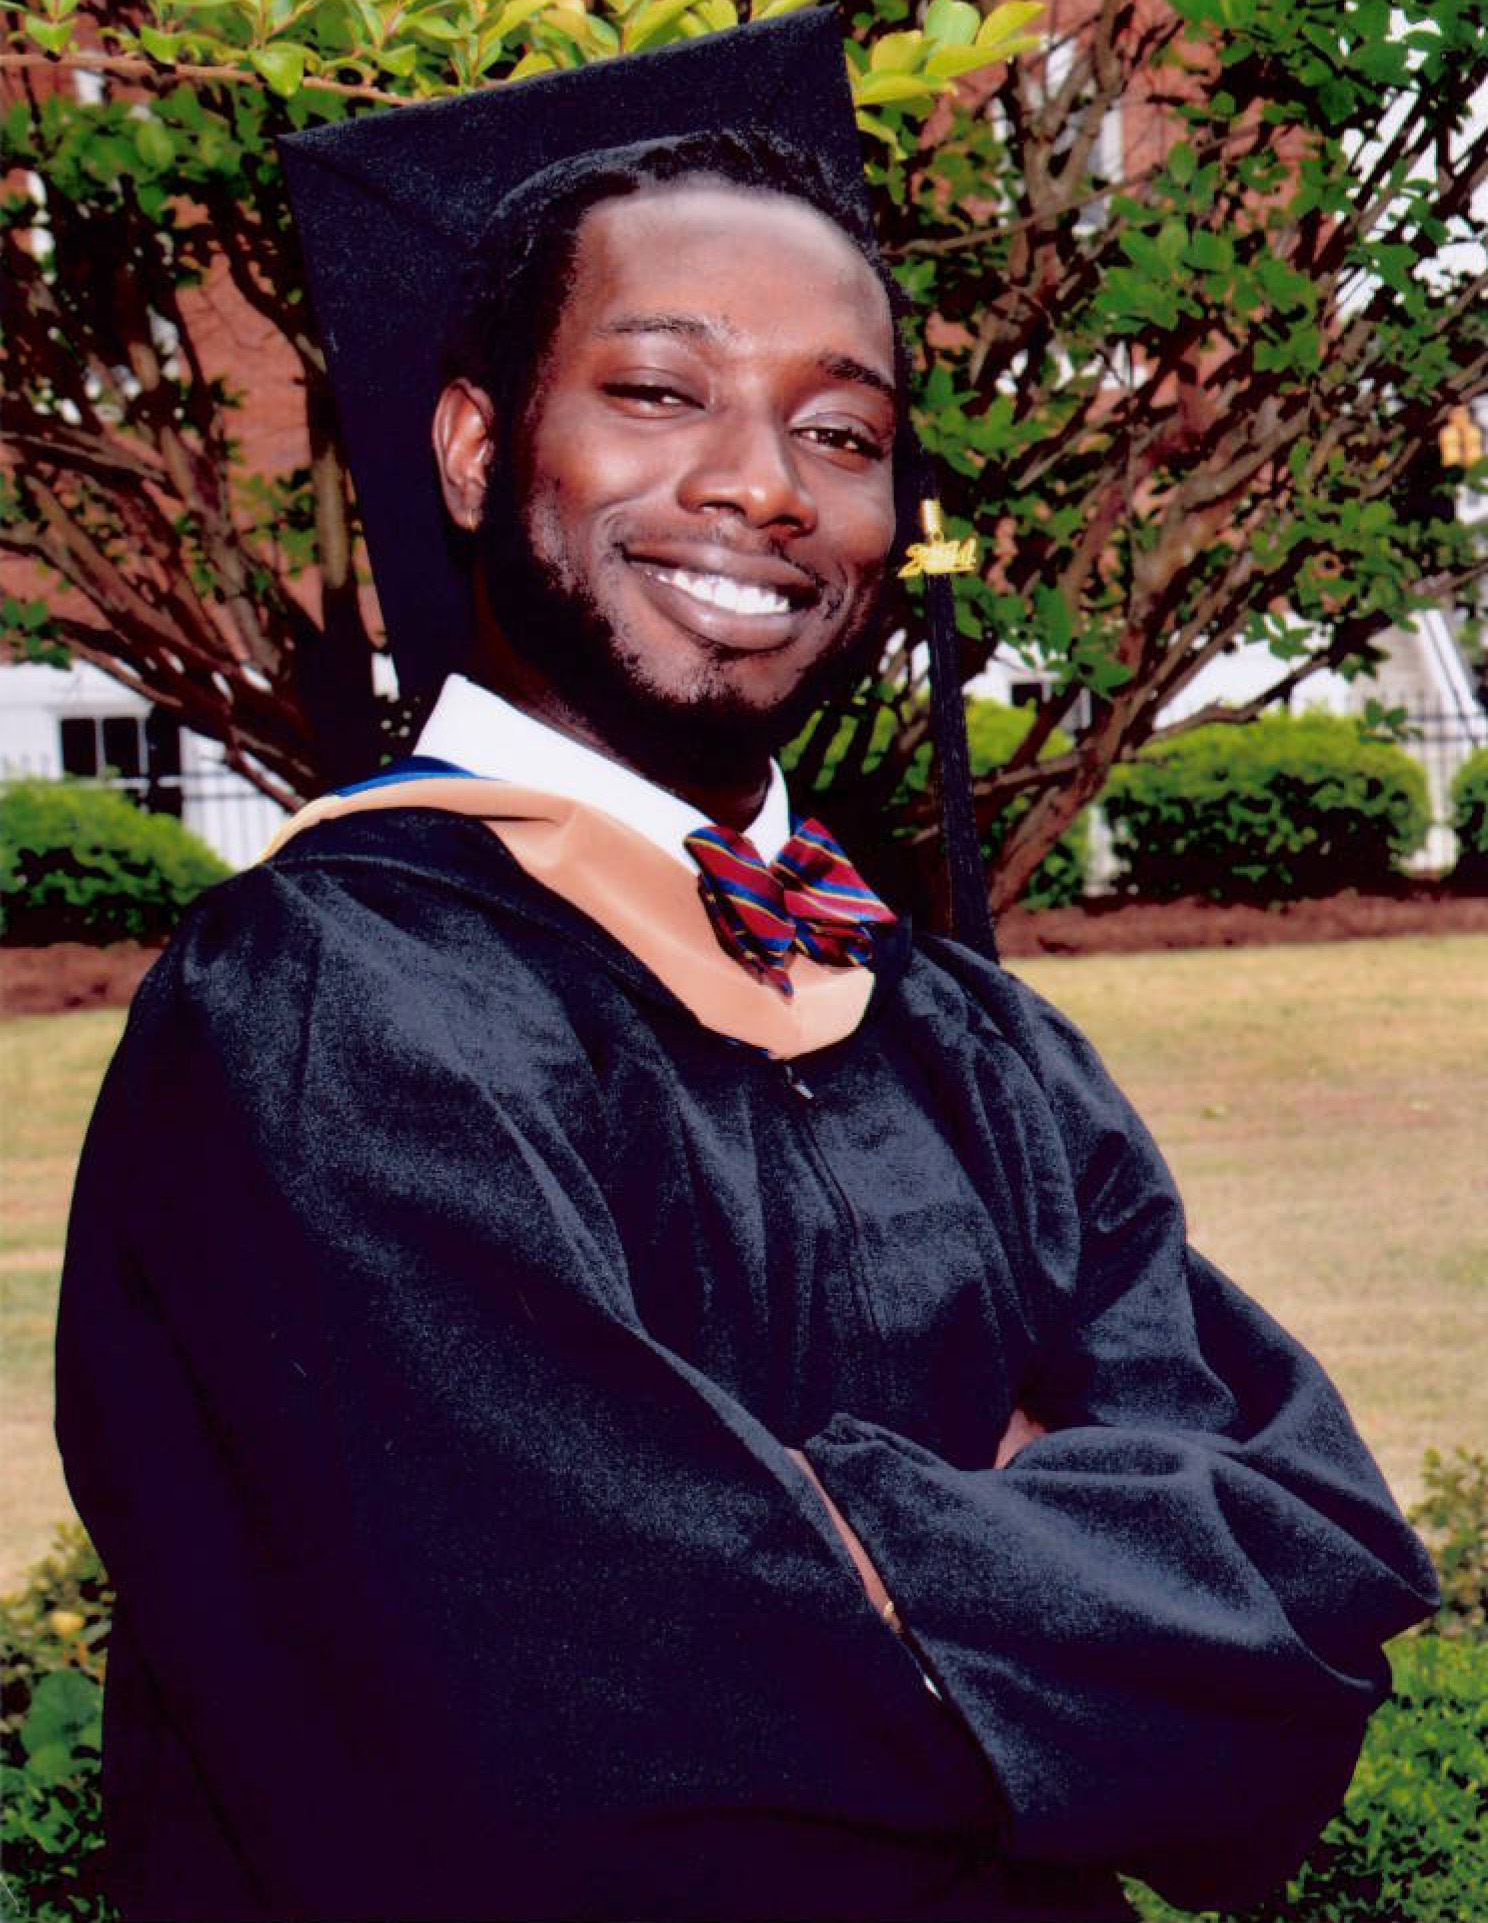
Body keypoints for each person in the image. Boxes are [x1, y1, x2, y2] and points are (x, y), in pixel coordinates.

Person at [56, 16, 1437, 1923]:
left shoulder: (960, 1033)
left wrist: (837, 1543)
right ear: (475, 448)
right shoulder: (326, 1008)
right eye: (657, 391)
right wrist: (1057, 1556)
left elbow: (1314, 1570)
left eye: (842, 428)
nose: (764, 487)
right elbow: (564, 1708)